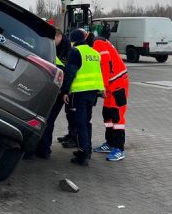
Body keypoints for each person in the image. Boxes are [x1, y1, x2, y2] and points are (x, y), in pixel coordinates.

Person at [61, 29, 106, 166]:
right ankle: (88, 149)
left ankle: (83, 153)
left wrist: (65, 91)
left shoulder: (75, 52)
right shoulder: (94, 53)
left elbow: (70, 73)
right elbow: (98, 72)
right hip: (92, 93)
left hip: (79, 92)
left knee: (80, 123)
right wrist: (101, 89)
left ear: (73, 40)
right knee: (86, 122)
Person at [25, 31, 69, 159]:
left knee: (38, 122)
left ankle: (32, 150)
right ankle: (44, 150)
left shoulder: (44, 56)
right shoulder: (59, 57)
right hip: (58, 95)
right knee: (49, 122)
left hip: (47, 94)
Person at [92, 26, 130, 161]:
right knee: (107, 114)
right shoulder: (99, 42)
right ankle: (110, 143)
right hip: (112, 84)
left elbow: (105, 65)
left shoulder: (98, 43)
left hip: (118, 83)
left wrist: (102, 87)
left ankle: (119, 148)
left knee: (117, 115)